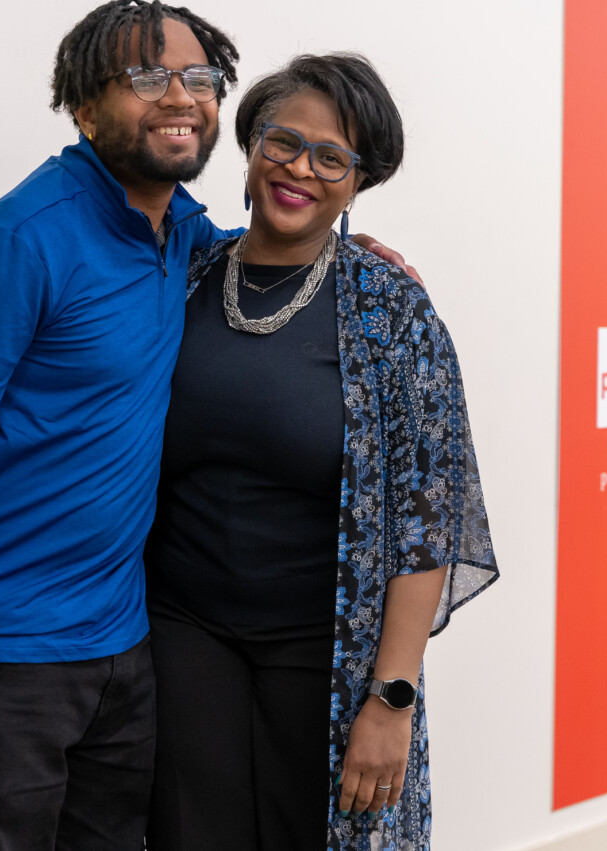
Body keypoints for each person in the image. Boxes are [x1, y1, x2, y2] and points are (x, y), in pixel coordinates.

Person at [0, 0, 413, 850]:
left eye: (198, 78)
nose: (179, 97)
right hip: (1, 652)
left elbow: (271, 245)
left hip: (127, 649)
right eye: (145, 76)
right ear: (85, 107)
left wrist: (351, 254)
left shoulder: (184, 241)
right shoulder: (19, 240)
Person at [143, 53, 499, 851]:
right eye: (284, 141)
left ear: (357, 182)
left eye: (330, 157)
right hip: (182, 634)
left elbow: (429, 516)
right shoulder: (184, 274)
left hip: (328, 651)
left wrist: (392, 698)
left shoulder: (391, 310)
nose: (299, 169)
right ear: (250, 144)